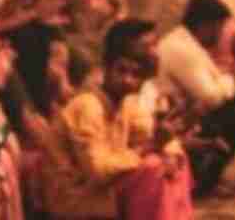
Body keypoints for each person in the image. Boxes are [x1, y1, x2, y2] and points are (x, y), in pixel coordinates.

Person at [42, 19, 193, 219]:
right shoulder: (88, 104)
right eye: (121, 71)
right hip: (77, 196)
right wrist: (149, 148)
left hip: (106, 188)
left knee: (172, 161)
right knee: (152, 169)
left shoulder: (126, 102)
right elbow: (98, 171)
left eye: (135, 74)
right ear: (107, 67)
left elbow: (153, 135)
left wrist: (169, 151)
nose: (127, 79)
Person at [154, 0, 235, 196]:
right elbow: (210, 96)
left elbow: (216, 83)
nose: (221, 34)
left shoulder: (188, 43)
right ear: (205, 25)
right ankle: (204, 182)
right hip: (171, 123)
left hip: (185, 116)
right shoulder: (180, 48)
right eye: (219, 28)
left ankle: (210, 177)